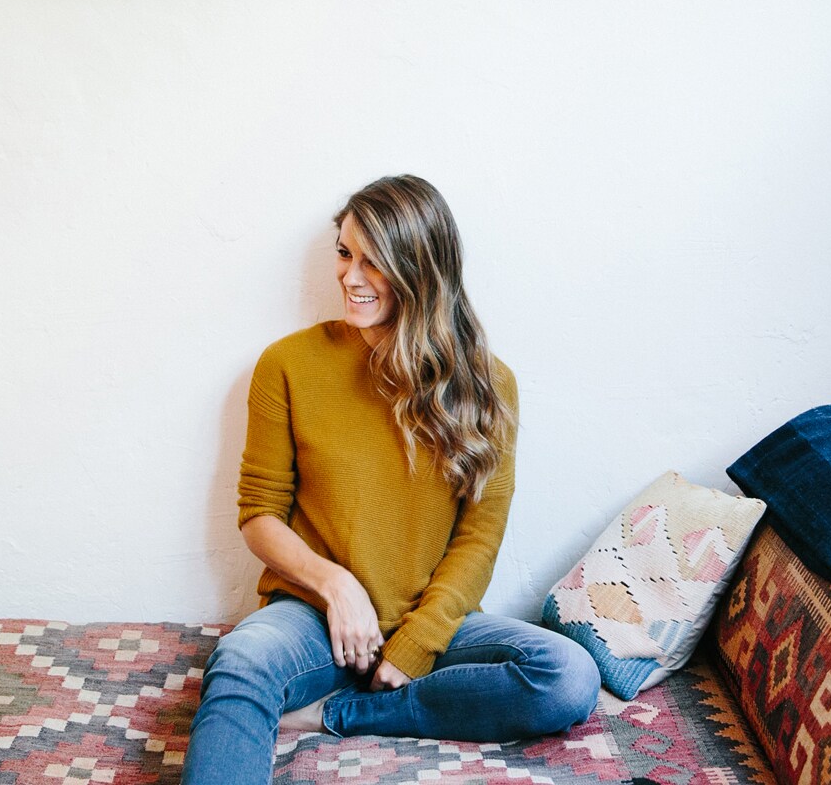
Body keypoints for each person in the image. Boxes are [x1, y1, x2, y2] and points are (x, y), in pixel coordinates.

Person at [181, 175, 599, 785]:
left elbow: (479, 539)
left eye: (373, 262)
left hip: (434, 620)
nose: (350, 277)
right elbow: (260, 515)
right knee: (239, 660)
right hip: (313, 616)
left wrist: (414, 647)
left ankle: (349, 713)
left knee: (568, 675)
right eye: (345, 253)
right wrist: (336, 587)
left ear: (420, 268)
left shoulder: (487, 384)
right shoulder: (286, 365)